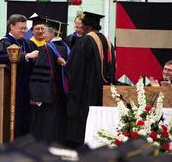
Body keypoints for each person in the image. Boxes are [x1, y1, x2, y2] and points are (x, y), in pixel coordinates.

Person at [65, 11, 115, 147]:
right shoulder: (108, 41)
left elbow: (72, 67)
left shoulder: (86, 40)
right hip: (103, 91)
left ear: (87, 27)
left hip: (86, 93)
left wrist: (64, 64)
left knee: (83, 126)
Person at [0, 14, 38, 137]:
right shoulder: (4, 42)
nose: (24, 31)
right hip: (11, 87)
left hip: (25, 88)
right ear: (11, 27)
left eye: (25, 28)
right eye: (21, 28)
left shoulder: (26, 42)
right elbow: (3, 59)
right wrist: (27, 56)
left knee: (25, 119)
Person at [30, 19, 70, 145]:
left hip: (48, 96)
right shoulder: (66, 48)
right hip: (62, 94)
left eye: (45, 31)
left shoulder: (46, 49)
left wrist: (37, 96)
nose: (43, 34)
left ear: (52, 33)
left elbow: (41, 74)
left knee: (47, 124)